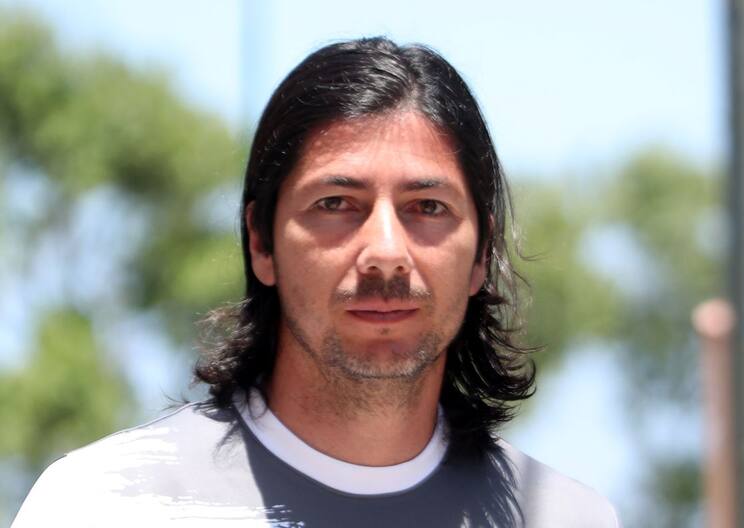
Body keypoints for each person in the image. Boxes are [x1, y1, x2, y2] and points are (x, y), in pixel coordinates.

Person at [12, 37, 620, 527]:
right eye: (336, 203)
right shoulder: (103, 506)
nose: (386, 253)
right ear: (261, 243)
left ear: (481, 252)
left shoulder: (565, 517)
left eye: (427, 207)